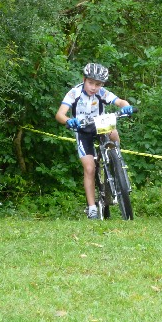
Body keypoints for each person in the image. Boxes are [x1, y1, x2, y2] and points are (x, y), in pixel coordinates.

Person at [55, 63, 133, 219]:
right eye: (90, 83)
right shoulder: (74, 93)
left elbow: (120, 102)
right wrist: (69, 120)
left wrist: (127, 107)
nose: (94, 87)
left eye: (98, 84)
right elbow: (60, 114)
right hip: (82, 130)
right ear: (84, 79)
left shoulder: (102, 93)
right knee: (90, 168)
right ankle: (91, 208)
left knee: (113, 131)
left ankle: (116, 161)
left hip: (100, 125)